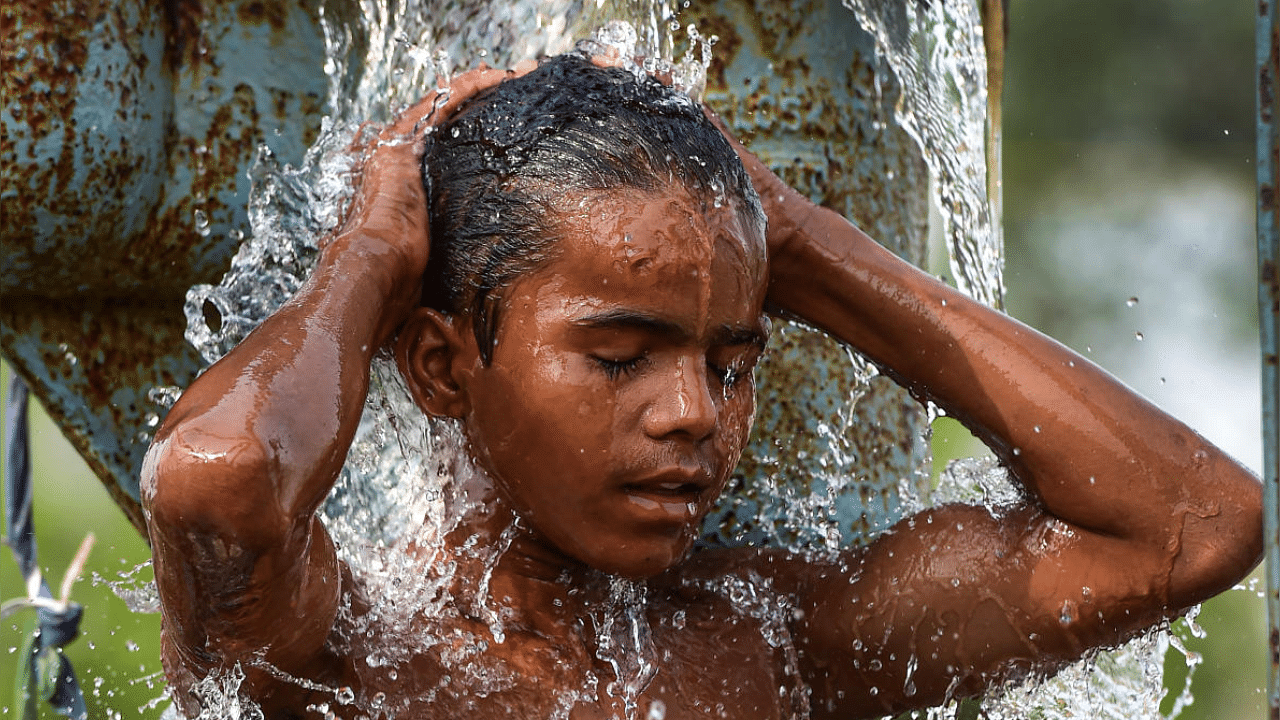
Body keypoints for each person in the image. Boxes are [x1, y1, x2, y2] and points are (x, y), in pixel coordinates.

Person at [142, 53, 1263, 719]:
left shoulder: (765, 646)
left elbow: (1189, 524)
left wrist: (806, 247)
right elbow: (216, 478)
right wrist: (372, 253)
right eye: (620, 357)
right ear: (439, 364)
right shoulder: (335, 652)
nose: (694, 415)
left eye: (731, 363)